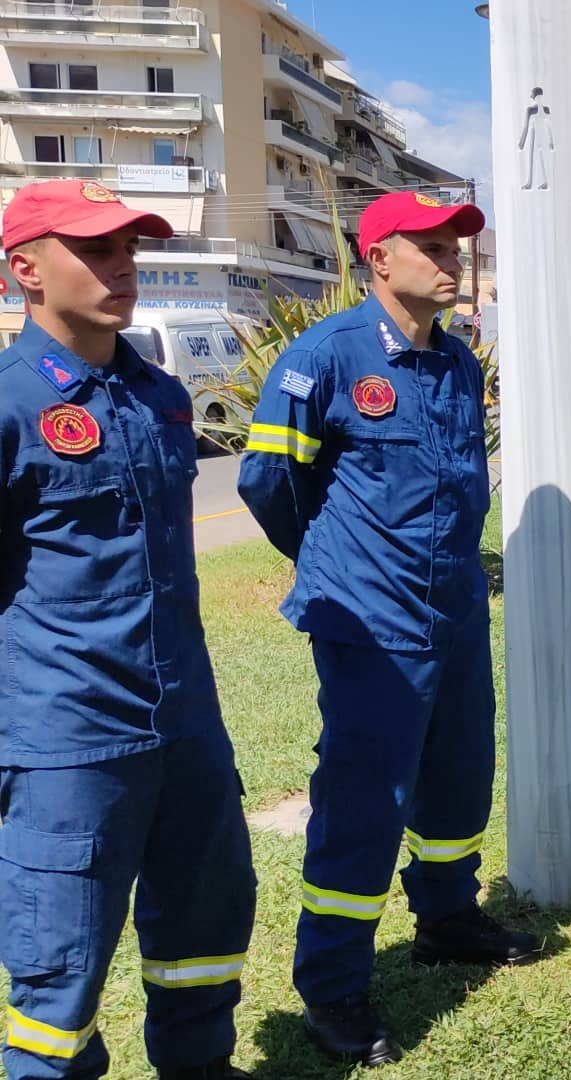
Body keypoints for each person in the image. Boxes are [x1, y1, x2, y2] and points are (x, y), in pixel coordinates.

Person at [237, 191, 538, 1066]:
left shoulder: (451, 362)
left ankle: (447, 917)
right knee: (366, 799)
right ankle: (333, 986)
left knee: (458, 772)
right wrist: (335, 561)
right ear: (380, 259)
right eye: (433, 244)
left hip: (450, 605)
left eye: (457, 245)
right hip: (370, 618)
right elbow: (268, 483)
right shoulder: (325, 357)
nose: (451, 258)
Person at [0, 181, 256, 1080]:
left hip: (184, 718)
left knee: (205, 922)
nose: (121, 267)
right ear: (25, 269)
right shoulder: (10, 402)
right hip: (69, 736)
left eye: (130, 250)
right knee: (58, 967)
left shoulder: (158, 395)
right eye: (95, 249)